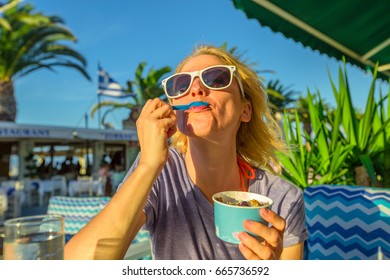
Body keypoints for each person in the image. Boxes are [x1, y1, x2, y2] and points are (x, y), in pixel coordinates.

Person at [65, 45, 308, 260]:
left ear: (245, 110)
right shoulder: (159, 172)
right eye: (181, 84)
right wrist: (148, 165)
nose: (196, 89)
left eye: (216, 79)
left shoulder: (283, 198)